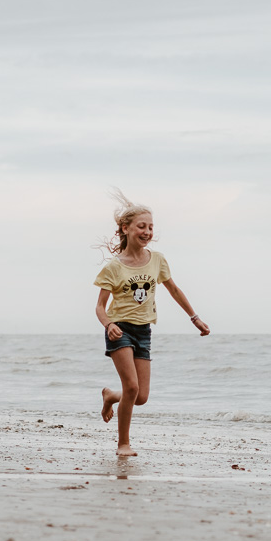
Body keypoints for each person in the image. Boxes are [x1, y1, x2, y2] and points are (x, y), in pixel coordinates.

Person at [94, 191, 209, 457]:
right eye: (142, 226)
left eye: (151, 227)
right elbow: (100, 306)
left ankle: (111, 395)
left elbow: (175, 290)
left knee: (141, 396)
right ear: (126, 228)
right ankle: (123, 443)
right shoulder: (114, 267)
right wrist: (108, 324)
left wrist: (195, 318)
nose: (147, 232)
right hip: (120, 329)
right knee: (132, 388)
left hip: (144, 331)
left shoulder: (157, 260)